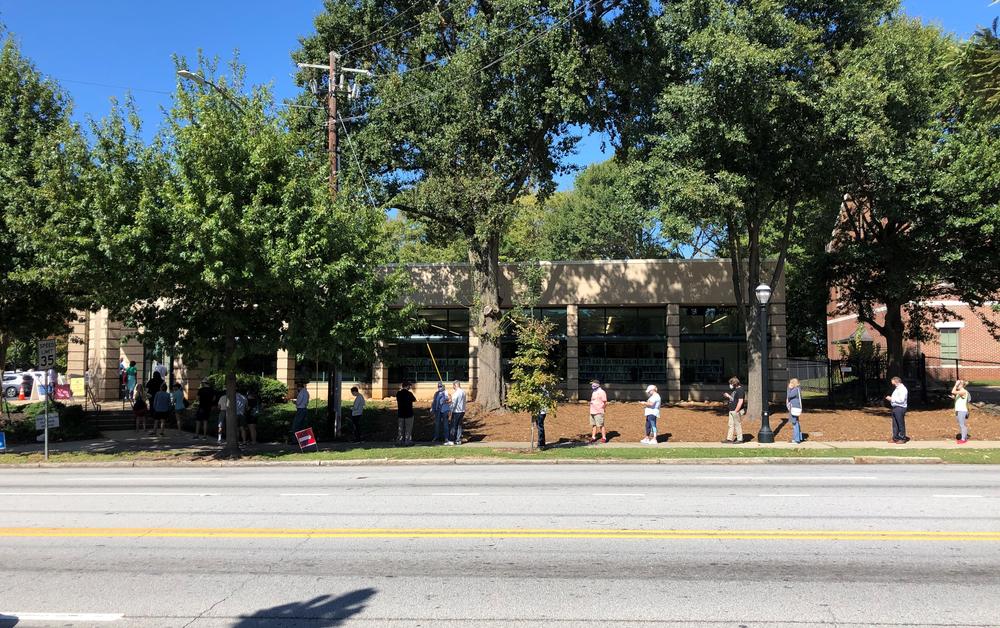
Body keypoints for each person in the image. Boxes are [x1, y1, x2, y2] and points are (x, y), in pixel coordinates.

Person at [885, 376, 909, 444]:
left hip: (900, 408)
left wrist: (891, 399)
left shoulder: (902, 389)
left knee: (900, 423)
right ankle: (895, 438)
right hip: (895, 408)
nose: (891, 383)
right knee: (895, 424)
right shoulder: (897, 389)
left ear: (896, 381)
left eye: (892, 381)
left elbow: (901, 400)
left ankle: (902, 438)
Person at [722, 377, 746, 444]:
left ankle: (740, 439)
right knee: (731, 425)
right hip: (731, 410)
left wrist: (736, 410)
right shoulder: (736, 390)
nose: (730, 385)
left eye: (731, 383)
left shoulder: (740, 390)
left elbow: (740, 401)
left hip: (735, 411)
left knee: (737, 424)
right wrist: (729, 396)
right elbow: (734, 399)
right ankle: (729, 439)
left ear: (734, 383)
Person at [396, 381, 417, 446]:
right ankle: (407, 441)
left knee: (400, 428)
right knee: (408, 428)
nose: (410, 387)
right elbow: (414, 399)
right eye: (409, 386)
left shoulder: (398, 393)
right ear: (407, 386)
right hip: (409, 413)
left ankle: (400, 441)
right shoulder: (409, 394)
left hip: (401, 413)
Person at [951, 379, 971, 444]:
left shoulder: (964, 391)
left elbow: (953, 391)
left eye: (959, 384)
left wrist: (955, 385)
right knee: (960, 424)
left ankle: (963, 439)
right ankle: (963, 437)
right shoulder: (960, 392)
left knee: (962, 425)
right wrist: (954, 397)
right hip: (958, 410)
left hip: (962, 410)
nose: (957, 385)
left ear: (961, 385)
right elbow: (958, 397)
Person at [588, 379, 608, 444]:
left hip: (599, 411)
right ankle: (593, 437)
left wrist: (602, 409)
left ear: (597, 385)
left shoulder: (602, 392)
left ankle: (604, 437)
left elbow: (605, 402)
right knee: (593, 425)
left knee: (601, 425)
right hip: (592, 411)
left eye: (593, 384)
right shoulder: (594, 391)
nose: (592, 385)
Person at [447, 380, 466, 446]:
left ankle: (451, 440)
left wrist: (450, 410)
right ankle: (458, 440)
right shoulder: (463, 392)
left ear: (455, 385)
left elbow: (454, 403)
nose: (453, 387)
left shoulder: (456, 393)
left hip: (456, 411)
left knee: (453, 426)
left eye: (453, 386)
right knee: (459, 426)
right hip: (462, 411)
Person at [786, 378, 804, 444]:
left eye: (791, 383)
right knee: (796, 422)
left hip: (794, 408)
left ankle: (796, 439)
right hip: (796, 407)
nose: (789, 384)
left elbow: (789, 396)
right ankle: (798, 438)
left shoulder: (795, 390)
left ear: (793, 383)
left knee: (794, 423)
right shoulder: (798, 389)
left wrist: (789, 389)